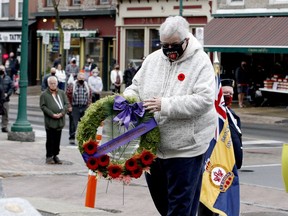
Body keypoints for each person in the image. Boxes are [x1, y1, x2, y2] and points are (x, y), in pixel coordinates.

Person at [123, 16, 217, 216]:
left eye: (174, 45)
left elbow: (204, 100)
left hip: (186, 148)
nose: (169, 50)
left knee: (180, 207)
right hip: (154, 146)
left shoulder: (201, 62)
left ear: (185, 40)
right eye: (164, 45)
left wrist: (164, 105)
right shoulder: (153, 59)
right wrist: (128, 101)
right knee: (163, 204)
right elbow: (135, 87)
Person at [198, 78, 243, 216]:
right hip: (213, 165)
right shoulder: (215, 115)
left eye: (230, 93)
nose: (228, 96)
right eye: (225, 93)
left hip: (228, 165)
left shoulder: (233, 116)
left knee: (223, 204)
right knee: (209, 204)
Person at [40, 76, 69, 164]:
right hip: (50, 121)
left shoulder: (61, 93)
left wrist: (62, 113)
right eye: (51, 83)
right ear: (48, 84)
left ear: (57, 83)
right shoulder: (44, 94)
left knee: (57, 139)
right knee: (50, 139)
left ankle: (55, 155)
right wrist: (52, 114)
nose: (53, 85)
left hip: (60, 120)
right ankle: (49, 156)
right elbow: (43, 107)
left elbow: (66, 104)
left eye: (54, 83)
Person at [66, 73, 92, 144]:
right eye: (80, 79)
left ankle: (83, 139)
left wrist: (89, 104)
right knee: (73, 124)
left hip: (84, 107)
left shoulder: (86, 85)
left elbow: (90, 95)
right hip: (75, 107)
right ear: (77, 78)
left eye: (83, 79)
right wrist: (69, 106)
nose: (81, 80)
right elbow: (67, 96)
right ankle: (72, 138)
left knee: (84, 124)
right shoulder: (72, 85)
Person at [0, 65, 14, 133]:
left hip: (5, 99)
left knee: (5, 113)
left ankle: (4, 127)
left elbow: (11, 87)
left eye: (2, 69)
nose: (2, 70)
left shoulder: (8, 78)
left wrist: (7, 94)